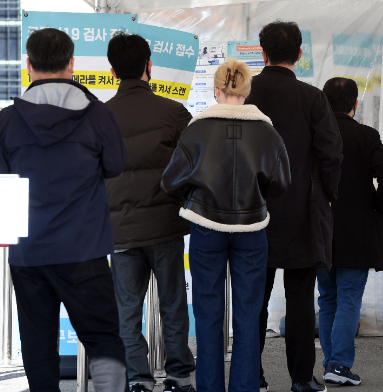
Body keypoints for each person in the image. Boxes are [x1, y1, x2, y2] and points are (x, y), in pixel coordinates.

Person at [0, 28, 129, 391]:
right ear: (71, 64)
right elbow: (115, 166)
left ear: (29, 65)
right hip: (85, 251)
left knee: (38, 344)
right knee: (103, 340)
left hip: (28, 254)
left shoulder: (4, 122)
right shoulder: (98, 115)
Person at [162, 58, 291, 392]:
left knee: (207, 316)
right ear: (246, 91)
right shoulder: (267, 130)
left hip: (206, 226)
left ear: (215, 89)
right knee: (248, 318)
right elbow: (281, 183)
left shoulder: (197, 129)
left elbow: (170, 181)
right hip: (252, 228)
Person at [246, 20, 343, 392]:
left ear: (262, 52)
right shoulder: (312, 97)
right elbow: (331, 154)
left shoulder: (245, 94)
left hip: (250, 214)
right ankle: (301, 379)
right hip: (302, 212)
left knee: (252, 300)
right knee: (301, 301)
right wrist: (328, 195)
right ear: (300, 55)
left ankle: (250, 376)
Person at [105, 33, 196, 392]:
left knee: (126, 310)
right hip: (165, 226)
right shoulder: (173, 112)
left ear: (112, 71)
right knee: (173, 303)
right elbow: (193, 167)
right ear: (149, 66)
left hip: (119, 230)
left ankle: (137, 379)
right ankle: (178, 377)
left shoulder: (100, 117)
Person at [318, 77, 383, 386]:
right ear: (355, 104)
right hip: (358, 230)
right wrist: (379, 206)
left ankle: (329, 362)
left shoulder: (315, 135)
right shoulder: (366, 135)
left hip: (321, 228)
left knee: (327, 298)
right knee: (349, 298)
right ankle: (338, 365)